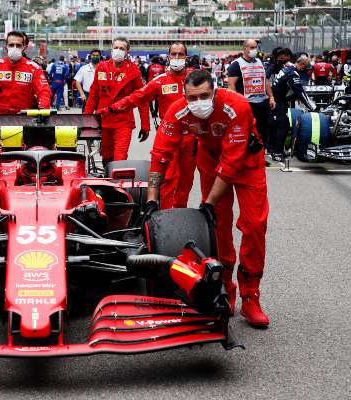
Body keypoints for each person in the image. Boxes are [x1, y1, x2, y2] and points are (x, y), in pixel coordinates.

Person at [147, 70, 270, 328]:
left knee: (254, 225)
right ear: (184, 95)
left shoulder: (237, 105)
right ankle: (225, 287)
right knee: (218, 227)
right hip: (209, 159)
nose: (199, 102)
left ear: (215, 91)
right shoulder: (178, 111)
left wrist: (208, 203)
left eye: (205, 95)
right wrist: (151, 198)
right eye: (193, 98)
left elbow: (232, 162)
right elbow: (160, 154)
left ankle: (251, 297)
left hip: (247, 161)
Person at [105, 42, 196, 209]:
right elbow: (137, 97)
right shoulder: (159, 81)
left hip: (192, 137)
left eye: (180, 54)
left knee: (186, 181)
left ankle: (182, 214)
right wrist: (113, 108)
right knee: (168, 178)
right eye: (173, 54)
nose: (176, 58)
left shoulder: (196, 79)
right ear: (168, 57)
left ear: (186, 57)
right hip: (169, 136)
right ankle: (166, 215)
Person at [85, 37, 150, 165]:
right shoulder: (102, 68)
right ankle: (107, 181)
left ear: (127, 52)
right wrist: (86, 120)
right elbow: (93, 95)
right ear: (111, 49)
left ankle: (116, 183)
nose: (118, 50)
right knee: (107, 157)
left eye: (122, 48)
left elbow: (142, 98)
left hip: (123, 122)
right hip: (104, 120)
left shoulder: (133, 71)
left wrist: (145, 126)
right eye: (116, 48)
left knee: (120, 159)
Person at [0, 31, 51, 116]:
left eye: (18, 45)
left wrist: (43, 110)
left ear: (24, 48)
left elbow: (44, 91)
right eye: (11, 45)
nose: (14, 47)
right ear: (6, 47)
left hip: (25, 118)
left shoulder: (34, 68)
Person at [226, 39, 276, 158]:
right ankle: (243, 156)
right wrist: (236, 104)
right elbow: (231, 85)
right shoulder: (236, 64)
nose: (255, 50)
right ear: (245, 49)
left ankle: (260, 157)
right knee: (246, 132)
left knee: (264, 130)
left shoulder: (260, 62)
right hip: (246, 104)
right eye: (252, 47)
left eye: (256, 47)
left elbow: (266, 81)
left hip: (262, 103)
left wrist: (271, 97)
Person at [270, 54, 315, 161]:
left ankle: (276, 150)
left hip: (278, 99)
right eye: (306, 67)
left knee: (280, 125)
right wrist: (312, 107)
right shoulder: (292, 73)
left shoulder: (288, 68)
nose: (305, 70)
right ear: (302, 64)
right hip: (276, 101)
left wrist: (288, 99)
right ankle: (276, 152)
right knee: (283, 125)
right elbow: (300, 92)